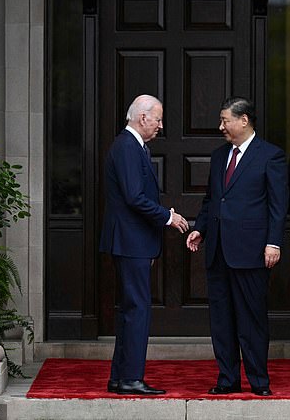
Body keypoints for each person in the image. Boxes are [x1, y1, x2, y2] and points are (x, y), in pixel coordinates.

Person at [186, 97, 289, 397]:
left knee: (252, 320)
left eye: (224, 121)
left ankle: (259, 381)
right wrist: (199, 230)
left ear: (243, 120)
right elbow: (212, 200)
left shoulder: (270, 156)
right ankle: (227, 379)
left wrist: (274, 242)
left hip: (252, 251)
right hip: (218, 251)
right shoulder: (219, 157)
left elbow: (277, 205)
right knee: (222, 320)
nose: (221, 127)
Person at [100, 94, 189, 395]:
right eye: (159, 119)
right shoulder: (127, 147)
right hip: (131, 241)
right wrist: (168, 217)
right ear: (143, 118)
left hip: (133, 241)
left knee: (131, 309)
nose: (161, 126)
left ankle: (120, 377)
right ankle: (131, 378)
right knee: (137, 310)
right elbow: (134, 197)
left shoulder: (133, 147)